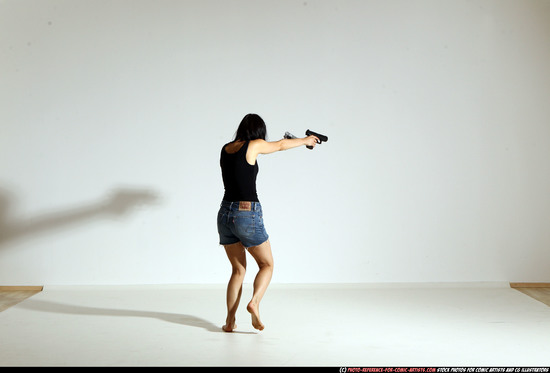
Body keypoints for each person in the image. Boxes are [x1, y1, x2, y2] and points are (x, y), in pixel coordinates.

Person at [217, 113, 319, 332]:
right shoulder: (254, 145)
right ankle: (254, 302)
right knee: (267, 265)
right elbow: (281, 145)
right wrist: (305, 141)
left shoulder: (226, 148)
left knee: (237, 271)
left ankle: (229, 322)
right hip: (246, 213)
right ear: (258, 132)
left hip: (224, 214)